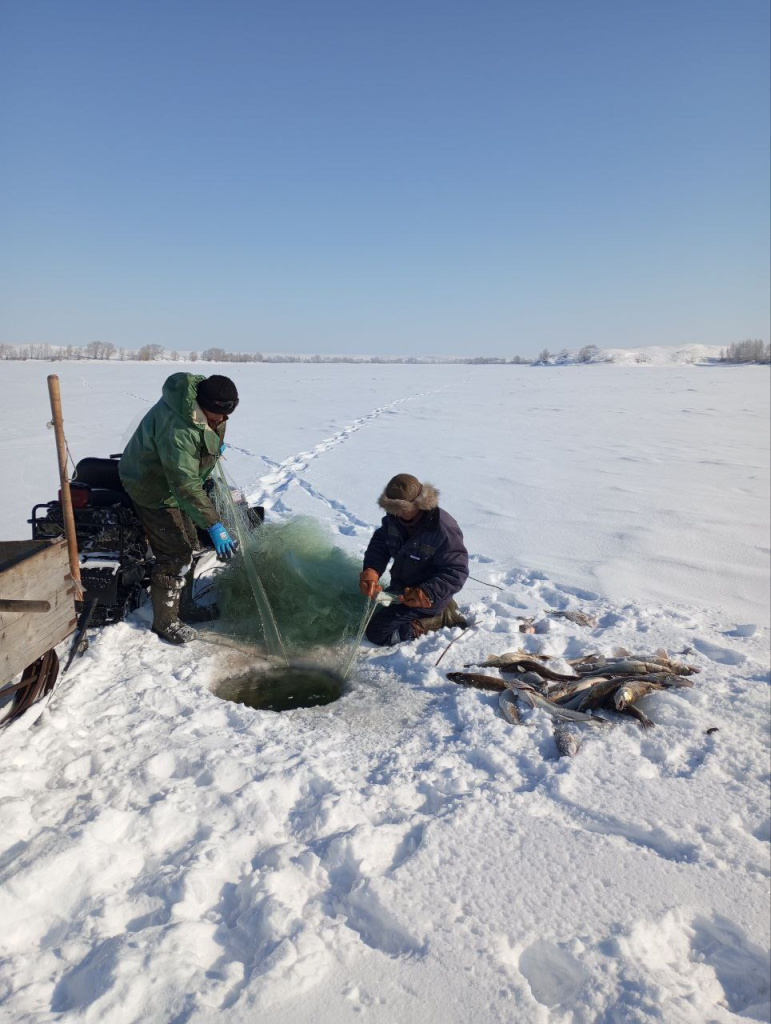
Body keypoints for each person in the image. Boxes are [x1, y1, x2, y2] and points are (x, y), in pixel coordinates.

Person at [119, 372, 240, 645]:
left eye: (225, 416)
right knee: (175, 553)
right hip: (151, 486)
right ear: (202, 405)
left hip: (177, 482)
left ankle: (184, 606)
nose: (221, 421)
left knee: (190, 544)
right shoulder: (178, 428)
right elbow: (183, 485)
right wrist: (214, 523)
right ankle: (165, 622)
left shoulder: (204, 409)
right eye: (217, 415)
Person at [360, 473, 469, 646]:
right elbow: (380, 543)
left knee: (378, 633)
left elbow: (457, 571)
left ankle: (439, 618)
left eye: (402, 508)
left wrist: (426, 593)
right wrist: (371, 570)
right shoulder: (394, 518)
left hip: (428, 597)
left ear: (418, 503)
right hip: (402, 590)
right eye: (392, 509)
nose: (397, 514)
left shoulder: (443, 529)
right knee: (363, 617)